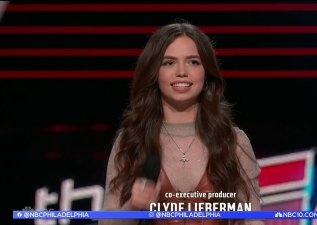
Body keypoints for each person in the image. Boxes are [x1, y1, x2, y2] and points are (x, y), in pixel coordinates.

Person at [99, 21, 263, 225]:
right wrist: (135, 206)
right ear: (154, 72)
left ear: (206, 72)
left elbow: (252, 220)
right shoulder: (131, 141)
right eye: (169, 62)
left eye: (193, 61)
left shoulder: (234, 142)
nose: (182, 72)